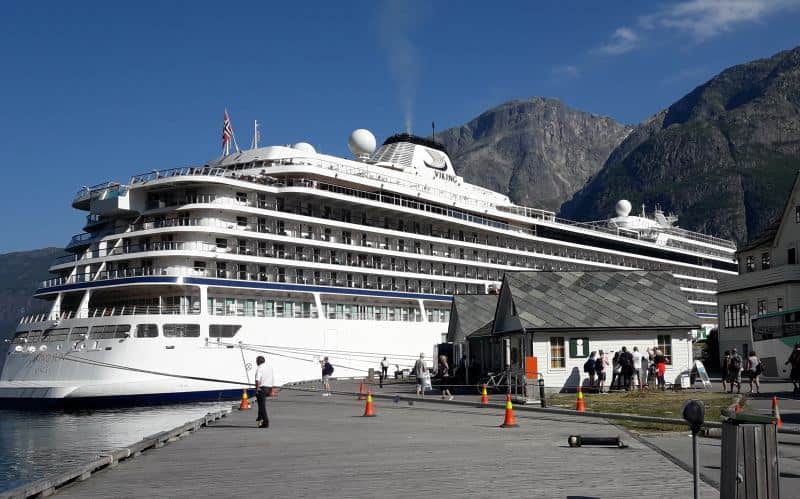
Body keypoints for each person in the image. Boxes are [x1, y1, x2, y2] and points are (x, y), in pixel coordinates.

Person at [254, 355, 270, 429]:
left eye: (256, 361)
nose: (256, 362)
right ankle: (259, 419)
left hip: (262, 389)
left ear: (258, 361)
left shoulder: (259, 368)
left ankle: (265, 423)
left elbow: (257, 380)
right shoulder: (268, 368)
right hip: (268, 388)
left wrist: (257, 388)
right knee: (261, 406)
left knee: (262, 407)